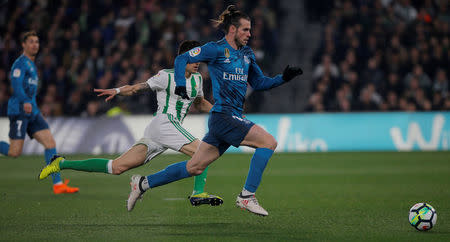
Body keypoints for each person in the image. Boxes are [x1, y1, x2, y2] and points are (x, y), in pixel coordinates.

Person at [126, 5, 303, 216]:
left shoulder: (247, 53)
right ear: (232, 30)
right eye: (245, 29)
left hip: (228, 118)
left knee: (195, 167)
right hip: (224, 115)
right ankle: (247, 196)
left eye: (250, 29)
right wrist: (181, 83)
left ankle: (143, 183)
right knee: (268, 142)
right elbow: (182, 58)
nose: (250, 34)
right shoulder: (215, 49)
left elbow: (259, 83)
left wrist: (283, 78)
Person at [38, 40, 223, 207]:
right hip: (164, 122)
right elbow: (137, 88)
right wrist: (117, 90)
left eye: (200, 57)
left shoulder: (198, 79)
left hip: (161, 130)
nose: (198, 62)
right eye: (194, 58)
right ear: (182, 59)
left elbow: (199, 104)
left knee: (116, 167)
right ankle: (197, 193)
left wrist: (222, 111)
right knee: (203, 153)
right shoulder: (165, 76)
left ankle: (61, 163)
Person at [0, 31, 79, 194]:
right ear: (23, 44)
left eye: (37, 42)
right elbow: (16, 86)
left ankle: (58, 185)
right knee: (14, 152)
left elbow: (31, 92)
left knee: (50, 143)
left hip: (32, 112)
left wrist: (36, 109)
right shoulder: (20, 64)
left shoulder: (32, 65)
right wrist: (26, 102)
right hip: (19, 110)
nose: (35, 45)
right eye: (31, 42)